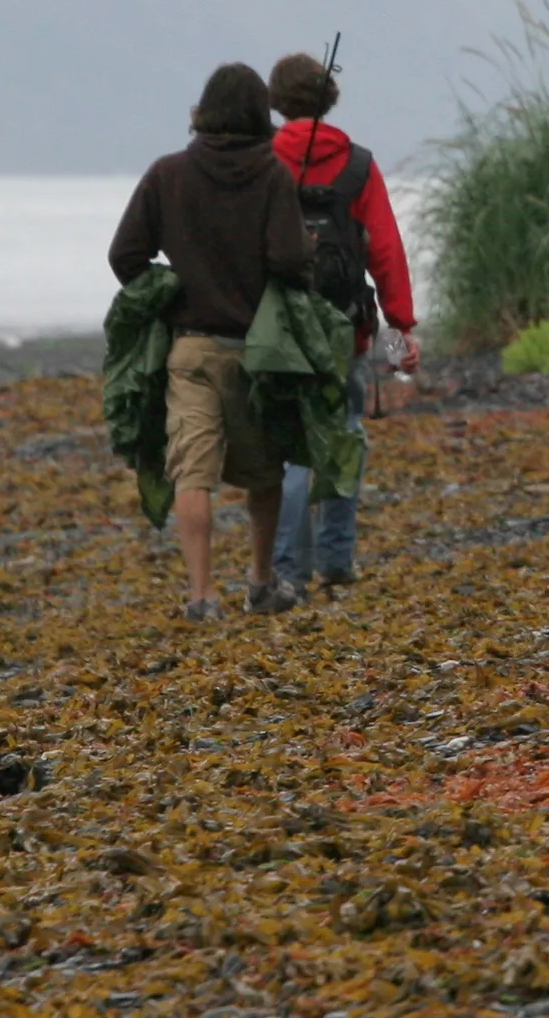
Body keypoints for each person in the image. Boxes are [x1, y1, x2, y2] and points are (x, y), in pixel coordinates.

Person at [107, 62, 313, 619]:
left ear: (204, 110)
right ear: (258, 113)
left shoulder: (167, 173)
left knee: (191, 472)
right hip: (257, 351)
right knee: (264, 471)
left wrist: (168, 293)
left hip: (191, 347)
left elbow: (124, 256)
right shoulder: (273, 176)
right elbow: (290, 260)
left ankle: (201, 595)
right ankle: (262, 582)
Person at [264, 53, 419, 599]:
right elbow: (385, 248)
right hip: (346, 325)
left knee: (289, 448)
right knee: (345, 430)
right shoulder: (358, 164)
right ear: (328, 98)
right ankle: (336, 558)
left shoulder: (263, 163)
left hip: (279, 326)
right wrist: (401, 326)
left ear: (278, 102)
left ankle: (287, 569)